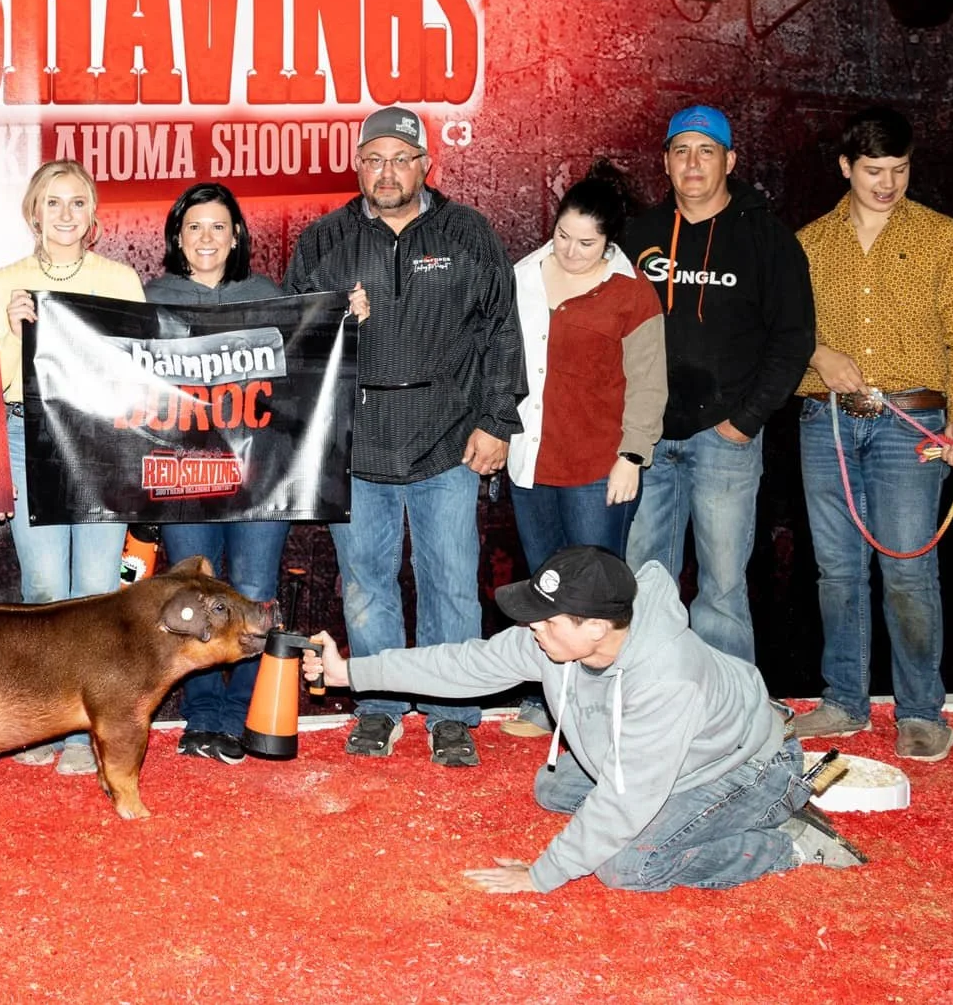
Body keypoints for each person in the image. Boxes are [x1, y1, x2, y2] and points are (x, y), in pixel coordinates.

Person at [302, 546, 867, 893]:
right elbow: (466, 664)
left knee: (626, 865)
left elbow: (624, 799)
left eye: (546, 622)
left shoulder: (666, 676)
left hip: (746, 763)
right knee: (555, 789)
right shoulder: (558, 639)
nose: (531, 630)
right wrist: (352, 673)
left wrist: (543, 874)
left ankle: (783, 841)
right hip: (672, 751)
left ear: (596, 627)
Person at [285, 107, 525, 767]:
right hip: (358, 444)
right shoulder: (324, 241)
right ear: (357, 164)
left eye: (401, 158)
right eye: (373, 159)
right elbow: (291, 340)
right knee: (365, 584)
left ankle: (452, 715)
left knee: (450, 581)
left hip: (448, 441)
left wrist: (497, 420)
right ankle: (382, 706)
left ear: (426, 164)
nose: (386, 172)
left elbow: (502, 331)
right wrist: (335, 318)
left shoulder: (469, 233)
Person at [789, 108, 953, 763]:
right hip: (824, 424)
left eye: (900, 170)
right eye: (874, 171)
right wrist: (820, 358)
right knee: (836, 572)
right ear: (846, 167)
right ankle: (844, 700)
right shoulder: (808, 245)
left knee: (909, 568)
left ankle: (919, 711)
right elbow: (778, 342)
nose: (888, 183)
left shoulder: (942, 238)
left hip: (914, 425)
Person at [624, 105, 815, 664]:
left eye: (706, 151)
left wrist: (744, 421)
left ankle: (728, 718)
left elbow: (794, 338)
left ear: (729, 160)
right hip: (648, 443)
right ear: (664, 162)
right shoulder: (641, 235)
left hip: (725, 440)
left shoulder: (767, 239)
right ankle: (645, 701)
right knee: (641, 580)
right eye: (681, 150)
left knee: (723, 590)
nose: (693, 163)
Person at [0, 158, 144, 776]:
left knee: (97, 593)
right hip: (26, 435)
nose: (65, 214)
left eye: (77, 203)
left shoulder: (120, 280)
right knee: (44, 592)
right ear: (33, 212)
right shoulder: (3, 283)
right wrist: (20, 331)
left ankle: (87, 733)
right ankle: (41, 720)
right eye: (53, 202)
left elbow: (135, 375)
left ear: (92, 215)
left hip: (100, 442)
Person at [501, 164, 665, 738]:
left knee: (596, 596)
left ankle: (608, 705)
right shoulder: (519, 278)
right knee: (544, 587)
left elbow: (649, 382)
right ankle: (545, 701)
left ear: (610, 242)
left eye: (587, 243)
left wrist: (633, 456)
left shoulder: (631, 294)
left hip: (599, 466)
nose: (571, 251)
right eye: (562, 236)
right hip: (532, 461)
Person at [143, 182, 290, 765]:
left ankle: (238, 717)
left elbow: (302, 373)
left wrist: (343, 322)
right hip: (183, 475)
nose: (206, 238)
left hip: (261, 475)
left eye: (218, 227)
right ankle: (202, 716)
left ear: (236, 237)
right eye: (194, 227)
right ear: (179, 237)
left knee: (253, 596)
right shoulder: (152, 298)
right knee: (192, 598)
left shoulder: (267, 295)